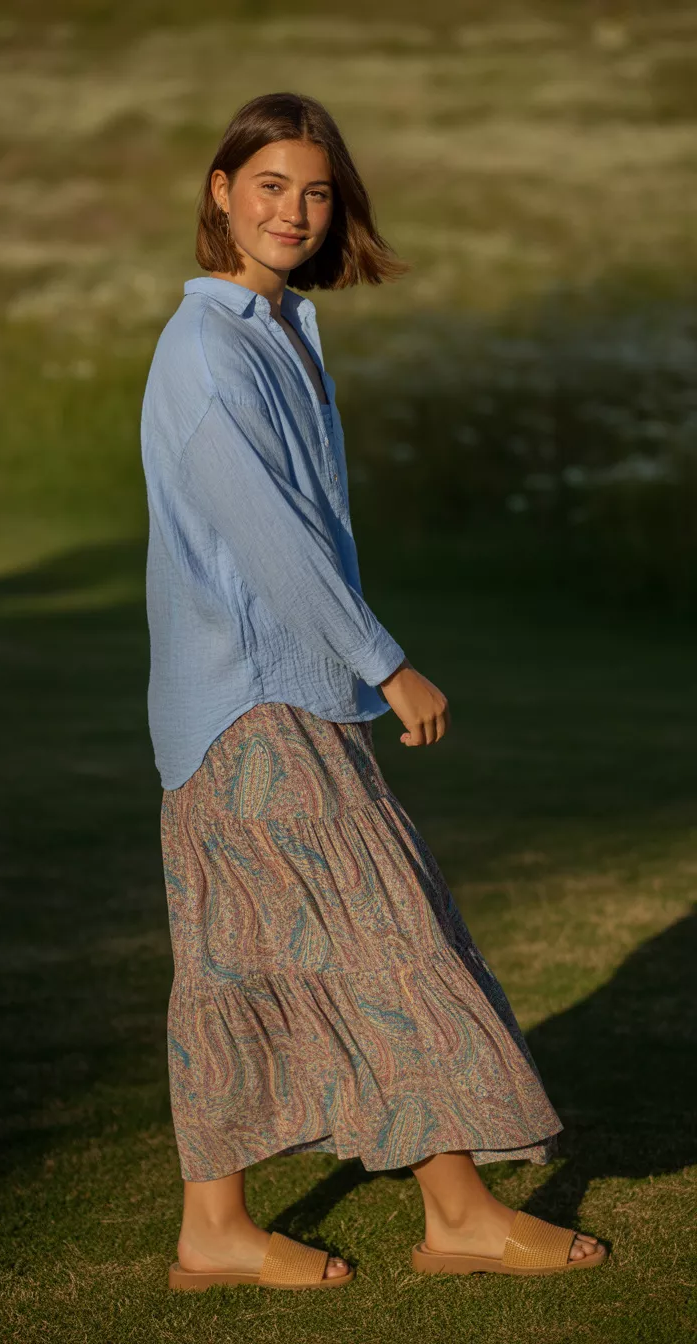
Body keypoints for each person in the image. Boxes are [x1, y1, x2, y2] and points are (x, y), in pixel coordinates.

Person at [140, 91, 608, 1292]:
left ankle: (214, 1231)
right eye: (270, 185)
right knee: (385, 936)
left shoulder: (279, 327)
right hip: (252, 700)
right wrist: (384, 661)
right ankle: (454, 1212)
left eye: (317, 189)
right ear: (220, 191)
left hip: (274, 693)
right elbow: (269, 538)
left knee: (239, 956)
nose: (295, 210)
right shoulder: (208, 346)